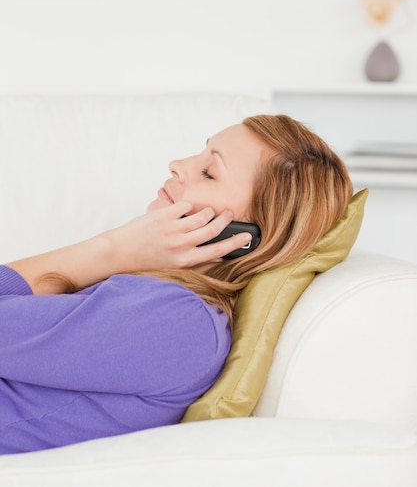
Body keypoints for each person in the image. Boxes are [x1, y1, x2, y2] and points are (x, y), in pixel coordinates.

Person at [0, 114, 353, 455]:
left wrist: (112, 249)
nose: (177, 164)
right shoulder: (153, 295)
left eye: (208, 172)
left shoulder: (180, 322)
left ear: (244, 238)